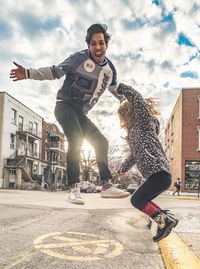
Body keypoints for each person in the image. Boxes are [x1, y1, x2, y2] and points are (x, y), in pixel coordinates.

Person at [10, 23, 130, 205]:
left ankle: (106, 185)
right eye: (93, 44)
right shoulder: (78, 58)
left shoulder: (110, 70)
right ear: (88, 45)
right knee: (76, 138)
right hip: (64, 105)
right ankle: (74, 188)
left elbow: (116, 90)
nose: (97, 48)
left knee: (101, 142)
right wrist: (28, 73)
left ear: (106, 45)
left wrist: (132, 101)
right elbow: (54, 71)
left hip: (80, 113)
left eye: (101, 43)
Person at [117, 83, 178, 242]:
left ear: (129, 113)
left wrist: (120, 87)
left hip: (159, 174)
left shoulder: (144, 123)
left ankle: (165, 222)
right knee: (143, 200)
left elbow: (137, 99)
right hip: (157, 176)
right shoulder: (133, 134)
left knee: (136, 200)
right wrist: (124, 167)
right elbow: (134, 155)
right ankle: (166, 217)